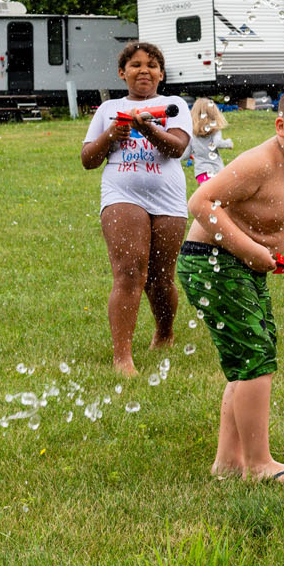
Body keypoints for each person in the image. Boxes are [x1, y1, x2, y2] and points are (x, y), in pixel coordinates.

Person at [177, 83, 284, 483]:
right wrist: (249, 248)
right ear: (282, 126)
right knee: (254, 356)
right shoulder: (258, 163)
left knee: (251, 354)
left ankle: (229, 463)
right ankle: (259, 465)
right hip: (212, 261)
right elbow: (200, 202)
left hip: (241, 265)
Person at [80, 42, 191, 376]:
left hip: (168, 197)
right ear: (122, 72)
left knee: (160, 280)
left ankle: (164, 332)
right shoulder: (108, 109)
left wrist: (149, 129)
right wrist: (111, 135)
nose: (145, 70)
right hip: (121, 193)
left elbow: (177, 148)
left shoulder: (173, 105)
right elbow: (88, 159)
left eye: (153, 65)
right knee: (129, 273)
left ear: (161, 74)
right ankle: (122, 358)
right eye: (136, 65)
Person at [188, 98, 233, 185]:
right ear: (214, 114)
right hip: (217, 172)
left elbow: (186, 153)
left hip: (202, 173)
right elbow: (218, 143)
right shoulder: (215, 131)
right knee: (219, 196)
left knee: (207, 196)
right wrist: (228, 143)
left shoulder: (192, 134)